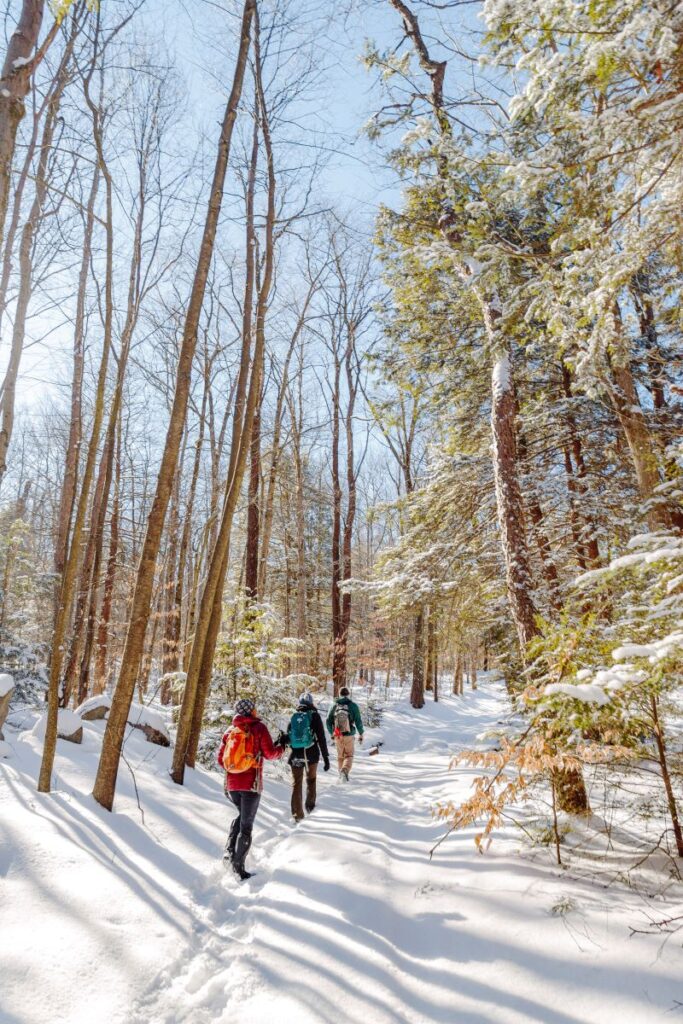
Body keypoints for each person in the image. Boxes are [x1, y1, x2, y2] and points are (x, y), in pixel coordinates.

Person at [217, 697, 285, 880]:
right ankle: (238, 869)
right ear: (251, 711)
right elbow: (270, 754)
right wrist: (283, 747)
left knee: (241, 817)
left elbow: (220, 759)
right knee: (246, 825)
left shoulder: (230, 731)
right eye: (254, 708)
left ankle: (229, 853)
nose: (256, 710)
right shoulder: (258, 728)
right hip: (251, 784)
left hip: (232, 785)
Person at [285, 692, 330, 822]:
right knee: (311, 780)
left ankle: (297, 815)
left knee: (296, 783)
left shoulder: (294, 716)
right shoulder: (314, 716)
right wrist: (326, 757)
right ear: (311, 702)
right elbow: (321, 738)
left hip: (295, 755)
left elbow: (289, 737)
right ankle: (310, 808)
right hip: (311, 754)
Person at [326, 686, 364, 782]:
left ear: (339, 694)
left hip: (338, 735)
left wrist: (332, 732)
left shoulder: (334, 705)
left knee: (340, 756)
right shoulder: (353, 706)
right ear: (348, 694)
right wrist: (361, 733)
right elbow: (358, 721)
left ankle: (340, 775)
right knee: (349, 755)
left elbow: (328, 721)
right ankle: (344, 771)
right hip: (349, 734)